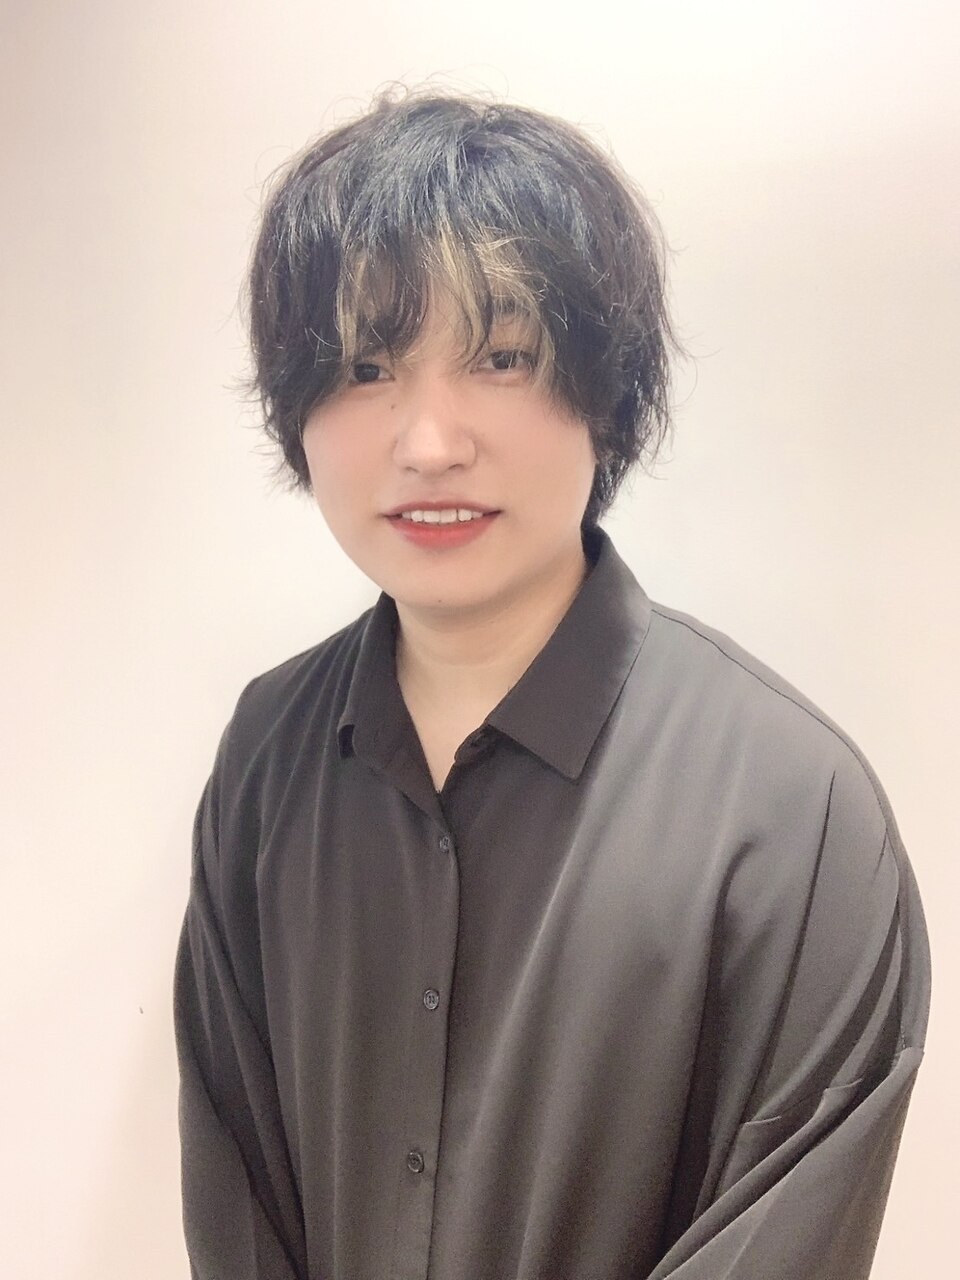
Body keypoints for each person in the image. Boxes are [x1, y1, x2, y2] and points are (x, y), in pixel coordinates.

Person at [174, 91, 930, 1280]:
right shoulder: (268, 755)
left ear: (607, 391)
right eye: (366, 364)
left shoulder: (796, 811)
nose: (429, 442)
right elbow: (238, 1191)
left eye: (501, 356)